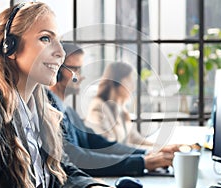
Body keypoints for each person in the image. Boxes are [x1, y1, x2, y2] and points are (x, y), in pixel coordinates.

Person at [0, 2, 117, 188]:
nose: (61, 53)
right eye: (45, 38)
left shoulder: (41, 111)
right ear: (10, 47)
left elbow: (58, 170)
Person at [47, 43, 181, 177]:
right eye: (77, 69)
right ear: (57, 69)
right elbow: (78, 159)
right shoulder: (50, 111)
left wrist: (146, 155)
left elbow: (101, 144)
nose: (82, 76)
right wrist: (141, 162)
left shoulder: (69, 112)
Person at [85, 62, 153, 149]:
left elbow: (135, 138)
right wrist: (148, 151)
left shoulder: (120, 108)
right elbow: (107, 145)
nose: (133, 87)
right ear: (118, 82)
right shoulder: (98, 108)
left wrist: (160, 148)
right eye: (129, 81)